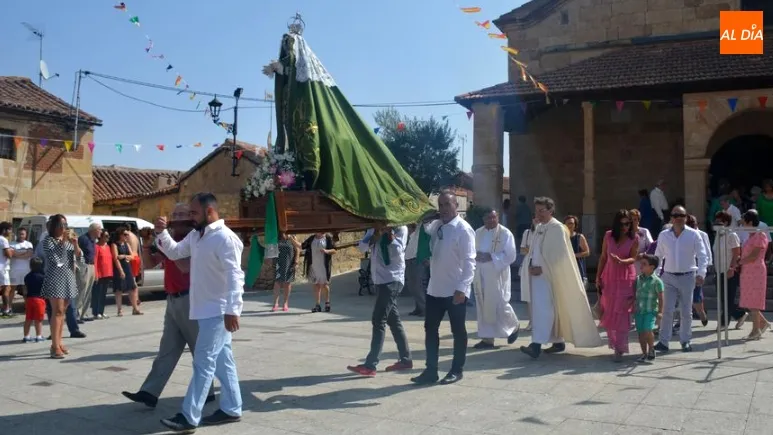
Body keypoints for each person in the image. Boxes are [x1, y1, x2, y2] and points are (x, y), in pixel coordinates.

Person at [156, 193, 244, 432]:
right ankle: (232, 408)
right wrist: (161, 233)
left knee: (203, 364)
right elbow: (174, 253)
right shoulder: (197, 236)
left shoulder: (226, 238)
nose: (190, 218)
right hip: (203, 309)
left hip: (218, 310)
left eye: (194, 213)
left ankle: (189, 417)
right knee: (223, 363)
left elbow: (235, 276)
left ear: (209, 212)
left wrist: (233, 309)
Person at [123, 203, 215, 408]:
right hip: (173, 299)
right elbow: (148, 263)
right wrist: (147, 244)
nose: (176, 218)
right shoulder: (169, 239)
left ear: (191, 217)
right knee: (167, 350)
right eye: (174, 215)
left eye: (181, 214)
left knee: (199, 350)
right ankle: (149, 392)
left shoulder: (194, 239)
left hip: (191, 299)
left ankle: (207, 392)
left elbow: (184, 267)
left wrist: (165, 240)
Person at [520, 197, 602, 359]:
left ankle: (536, 345)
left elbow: (559, 256)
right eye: (536, 211)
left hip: (548, 277)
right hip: (536, 276)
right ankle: (558, 342)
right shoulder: (541, 227)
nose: (538, 214)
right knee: (545, 310)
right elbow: (534, 250)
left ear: (551, 210)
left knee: (544, 310)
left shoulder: (557, 228)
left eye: (542, 211)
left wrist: (541, 269)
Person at [411, 191, 475, 385]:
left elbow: (470, 262)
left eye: (447, 204)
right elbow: (424, 230)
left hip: (455, 291)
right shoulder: (437, 225)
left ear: (456, 205)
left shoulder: (464, 229)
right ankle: (431, 371)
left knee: (458, 331)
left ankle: (457, 370)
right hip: (435, 289)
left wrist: (462, 289)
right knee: (430, 329)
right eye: (440, 205)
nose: (444, 209)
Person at [347, 224, 412, 376]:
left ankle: (370, 365)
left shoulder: (401, 228)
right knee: (394, 321)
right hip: (379, 280)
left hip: (392, 280)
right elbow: (362, 247)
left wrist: (389, 236)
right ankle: (406, 359)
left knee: (378, 320)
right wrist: (376, 235)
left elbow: (397, 251)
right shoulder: (373, 228)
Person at [654, 205, 709, 353]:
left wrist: (701, 273)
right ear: (671, 218)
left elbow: (702, 255)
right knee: (667, 310)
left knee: (686, 311)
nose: (679, 218)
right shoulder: (664, 235)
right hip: (668, 276)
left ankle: (685, 341)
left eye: (682, 215)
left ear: (686, 218)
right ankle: (663, 342)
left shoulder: (693, 235)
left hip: (687, 276)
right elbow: (658, 256)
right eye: (676, 215)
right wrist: (657, 274)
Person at [471, 208, 519, 349]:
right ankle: (487, 339)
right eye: (488, 218)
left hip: (497, 273)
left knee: (500, 304)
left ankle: (514, 325)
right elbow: (471, 250)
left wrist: (491, 257)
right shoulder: (477, 232)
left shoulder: (505, 233)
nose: (491, 220)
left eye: (494, 217)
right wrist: (476, 256)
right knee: (482, 305)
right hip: (480, 273)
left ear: (497, 217)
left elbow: (511, 255)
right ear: (483, 219)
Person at [597, 210, 639, 362]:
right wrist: (598, 277)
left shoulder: (634, 238)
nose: (624, 227)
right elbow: (603, 257)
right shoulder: (608, 236)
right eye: (621, 224)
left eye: (627, 223)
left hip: (626, 277)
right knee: (610, 311)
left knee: (622, 312)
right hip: (609, 276)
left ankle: (620, 348)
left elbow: (633, 258)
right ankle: (614, 344)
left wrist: (622, 261)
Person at [41, 215, 82, 359]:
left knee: (63, 312)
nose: (64, 227)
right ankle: (54, 346)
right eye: (61, 224)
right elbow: (54, 260)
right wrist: (63, 242)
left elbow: (79, 258)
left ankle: (59, 342)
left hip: (68, 277)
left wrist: (75, 244)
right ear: (55, 226)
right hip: (55, 278)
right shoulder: (48, 240)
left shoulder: (69, 241)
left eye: (65, 224)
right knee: (57, 311)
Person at [739, 209, 770, 341]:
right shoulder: (750, 236)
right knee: (749, 299)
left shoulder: (760, 235)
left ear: (750, 222)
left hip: (756, 270)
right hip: (747, 271)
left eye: (744, 222)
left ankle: (755, 330)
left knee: (754, 300)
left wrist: (740, 261)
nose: (742, 225)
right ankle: (762, 323)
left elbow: (754, 255)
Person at [712, 211, 746, 330]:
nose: (715, 223)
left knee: (728, 298)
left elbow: (737, 253)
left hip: (729, 271)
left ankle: (723, 323)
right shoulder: (717, 235)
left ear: (725, 222)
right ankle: (739, 314)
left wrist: (732, 268)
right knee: (722, 298)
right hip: (718, 270)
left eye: (718, 221)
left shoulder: (732, 235)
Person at [634, 254, 664, 362]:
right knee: (641, 333)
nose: (641, 266)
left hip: (650, 311)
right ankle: (644, 353)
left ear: (652, 267)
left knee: (647, 329)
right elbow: (634, 294)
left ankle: (651, 348)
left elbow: (661, 298)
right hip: (639, 311)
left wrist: (660, 312)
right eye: (641, 264)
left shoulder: (657, 281)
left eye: (644, 264)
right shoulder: (638, 279)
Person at [686, 215, 712, 327]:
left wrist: (707, 266)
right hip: (685, 265)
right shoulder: (683, 234)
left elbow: (706, 251)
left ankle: (702, 314)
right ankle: (684, 320)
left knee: (696, 294)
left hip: (697, 266)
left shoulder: (702, 234)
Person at [111, 226, 142, 316]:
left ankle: (135, 308)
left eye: (127, 234)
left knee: (132, 288)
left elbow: (132, 256)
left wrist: (124, 256)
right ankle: (119, 310)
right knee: (119, 289)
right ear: (120, 235)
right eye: (125, 234)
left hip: (128, 267)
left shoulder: (127, 244)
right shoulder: (114, 245)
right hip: (119, 268)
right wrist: (121, 271)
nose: (126, 236)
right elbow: (116, 258)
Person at [303, 232, 336, 313]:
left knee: (324, 284)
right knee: (316, 285)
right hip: (313, 265)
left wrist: (326, 251)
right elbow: (302, 246)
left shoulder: (328, 237)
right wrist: (292, 239)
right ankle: (317, 305)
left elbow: (334, 250)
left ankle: (327, 303)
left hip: (323, 265)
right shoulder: (311, 238)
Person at [76, 222, 101, 322]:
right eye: (99, 229)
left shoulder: (93, 241)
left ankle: (84, 314)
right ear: (94, 230)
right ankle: (77, 315)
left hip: (91, 265)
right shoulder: (83, 239)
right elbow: (77, 253)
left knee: (88, 292)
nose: (101, 231)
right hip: (84, 266)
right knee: (82, 290)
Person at [272, 231, 301, 312]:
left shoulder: (292, 236)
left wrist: (296, 261)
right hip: (278, 262)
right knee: (277, 282)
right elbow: (272, 247)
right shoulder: (277, 235)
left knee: (287, 282)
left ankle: (285, 303)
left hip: (289, 261)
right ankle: (275, 303)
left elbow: (297, 249)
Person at [518, 216, 538, 330]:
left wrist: (530, 249)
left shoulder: (546, 232)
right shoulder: (527, 233)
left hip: (541, 264)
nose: (537, 221)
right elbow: (522, 249)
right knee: (529, 295)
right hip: (528, 264)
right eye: (535, 219)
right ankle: (531, 321)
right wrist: (532, 250)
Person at [22, 257, 46, 343]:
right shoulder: (42, 277)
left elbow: (25, 290)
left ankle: (26, 336)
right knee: (38, 319)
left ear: (30, 266)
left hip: (29, 299)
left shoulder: (27, 277)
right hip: (39, 299)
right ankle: (38, 336)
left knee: (28, 318)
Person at [92, 230, 113, 319]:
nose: (108, 238)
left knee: (104, 294)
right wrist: (96, 274)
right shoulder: (96, 247)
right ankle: (96, 312)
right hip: (100, 274)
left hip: (107, 273)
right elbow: (95, 261)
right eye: (106, 236)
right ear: (101, 237)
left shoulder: (107, 246)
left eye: (108, 236)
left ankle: (101, 311)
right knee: (97, 294)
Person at [10, 227, 34, 303]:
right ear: (17, 234)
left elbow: (29, 254)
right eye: (19, 234)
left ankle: (27, 307)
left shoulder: (29, 244)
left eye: (23, 234)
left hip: (26, 271)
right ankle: (9, 307)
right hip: (13, 271)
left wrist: (16, 254)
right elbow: (11, 254)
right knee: (12, 290)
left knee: (25, 290)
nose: (21, 235)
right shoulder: (11, 243)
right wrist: (24, 253)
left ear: (26, 235)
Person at [564, 215, 590, 284]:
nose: (570, 225)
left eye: (572, 223)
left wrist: (574, 255)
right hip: (564, 269)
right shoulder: (561, 238)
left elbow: (587, 252)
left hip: (578, 270)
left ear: (575, 225)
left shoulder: (579, 237)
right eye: (568, 223)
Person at [0, 222, 15, 317]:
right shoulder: (3, 240)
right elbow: (9, 255)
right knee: (6, 288)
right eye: (9, 230)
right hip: (2, 268)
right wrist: (12, 251)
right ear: (4, 230)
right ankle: (6, 309)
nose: (10, 232)